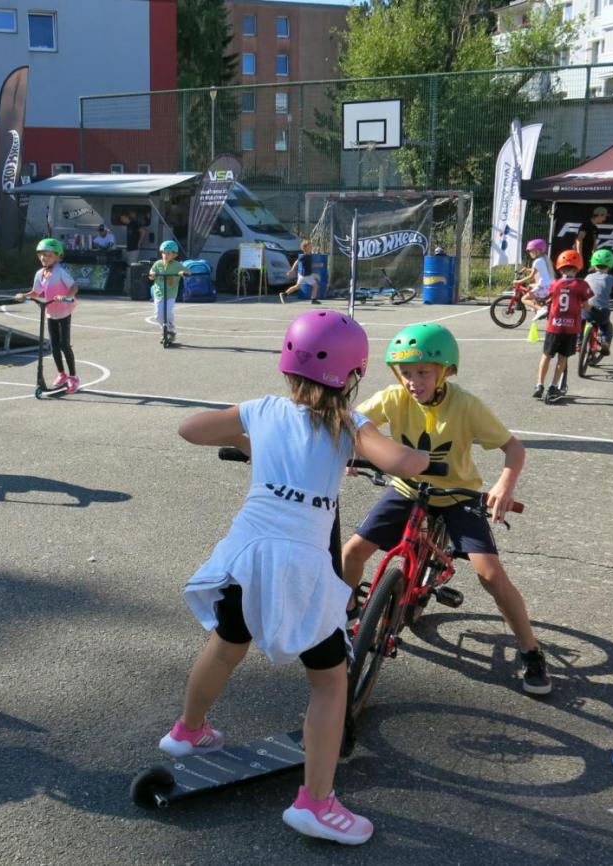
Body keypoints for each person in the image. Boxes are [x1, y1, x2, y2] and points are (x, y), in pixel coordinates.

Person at [162, 310, 428, 845]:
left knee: (228, 640)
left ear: (288, 363)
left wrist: (251, 445)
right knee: (329, 680)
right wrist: (426, 456)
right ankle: (316, 803)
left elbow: (189, 428)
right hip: (300, 567)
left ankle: (187, 732)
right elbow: (401, 462)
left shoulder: (262, 409)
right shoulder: (348, 425)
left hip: (247, 554)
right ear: (353, 373)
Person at [341, 323, 553, 695]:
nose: (412, 381)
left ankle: (531, 650)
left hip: (458, 494)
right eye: (405, 372)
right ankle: (345, 614)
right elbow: (351, 423)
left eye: (423, 372)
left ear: (445, 371)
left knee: (490, 575)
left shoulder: (466, 405)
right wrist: (348, 450)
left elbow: (514, 449)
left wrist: (504, 485)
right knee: (352, 552)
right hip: (408, 488)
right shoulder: (393, 398)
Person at [15, 238, 80, 393]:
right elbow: (36, 292)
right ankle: (61, 374)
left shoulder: (60, 272)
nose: (44, 258)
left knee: (65, 345)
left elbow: (74, 287)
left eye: (48, 255)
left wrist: (66, 297)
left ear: (58, 256)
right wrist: (24, 295)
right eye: (41, 255)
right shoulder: (40, 273)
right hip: (50, 311)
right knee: (54, 346)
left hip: (64, 310)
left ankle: (73, 377)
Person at [533, 250, 592, 403]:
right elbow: (586, 306)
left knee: (546, 355)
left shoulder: (555, 284)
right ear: (578, 268)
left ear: (559, 268)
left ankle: (539, 384)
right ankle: (553, 386)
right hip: (571, 328)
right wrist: (588, 307)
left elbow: (549, 298)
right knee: (563, 357)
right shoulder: (581, 285)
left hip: (554, 326)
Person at [583, 248, 613, 355]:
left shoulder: (588, 276)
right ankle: (605, 343)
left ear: (594, 264)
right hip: (602, 311)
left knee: (582, 319)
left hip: (587, 309)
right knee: (607, 327)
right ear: (610, 265)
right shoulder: (611, 278)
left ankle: (578, 340)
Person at [150, 239, 190, 337]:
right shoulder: (158, 264)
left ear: (174, 255)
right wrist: (152, 274)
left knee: (168, 313)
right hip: (159, 293)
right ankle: (165, 329)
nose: (166, 255)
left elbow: (188, 272)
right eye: (164, 253)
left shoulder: (176, 265)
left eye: (169, 253)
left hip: (171, 293)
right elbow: (151, 274)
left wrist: (182, 273)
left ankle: (171, 328)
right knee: (158, 315)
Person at [280, 239, 322, 304]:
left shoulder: (310, 255)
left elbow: (309, 264)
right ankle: (313, 299)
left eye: (311, 246)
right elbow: (296, 262)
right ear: (305, 248)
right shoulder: (304, 256)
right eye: (309, 246)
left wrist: (316, 265)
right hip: (306, 275)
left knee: (297, 286)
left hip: (303, 275)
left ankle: (284, 294)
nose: (311, 247)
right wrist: (292, 270)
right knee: (315, 286)